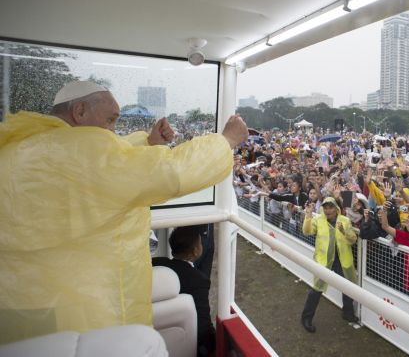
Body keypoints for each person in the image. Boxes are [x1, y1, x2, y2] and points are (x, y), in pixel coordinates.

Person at [0, 80, 248, 344]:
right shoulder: (77, 151)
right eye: (110, 120)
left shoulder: (24, 148)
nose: (112, 131)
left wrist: (149, 142)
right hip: (81, 308)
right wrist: (226, 141)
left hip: (25, 302)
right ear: (80, 111)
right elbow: (170, 172)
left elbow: (111, 165)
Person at [153, 226, 215, 357]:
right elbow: (204, 327)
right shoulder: (199, 281)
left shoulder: (157, 263)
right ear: (195, 251)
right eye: (200, 243)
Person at [301, 197, 358, 333]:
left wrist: (345, 232)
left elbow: (353, 240)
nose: (328, 210)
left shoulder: (344, 220)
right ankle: (306, 319)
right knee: (316, 289)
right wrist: (308, 215)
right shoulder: (318, 220)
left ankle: (348, 313)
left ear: (336, 208)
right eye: (325, 207)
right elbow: (307, 231)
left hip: (341, 260)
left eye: (331, 207)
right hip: (324, 261)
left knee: (347, 286)